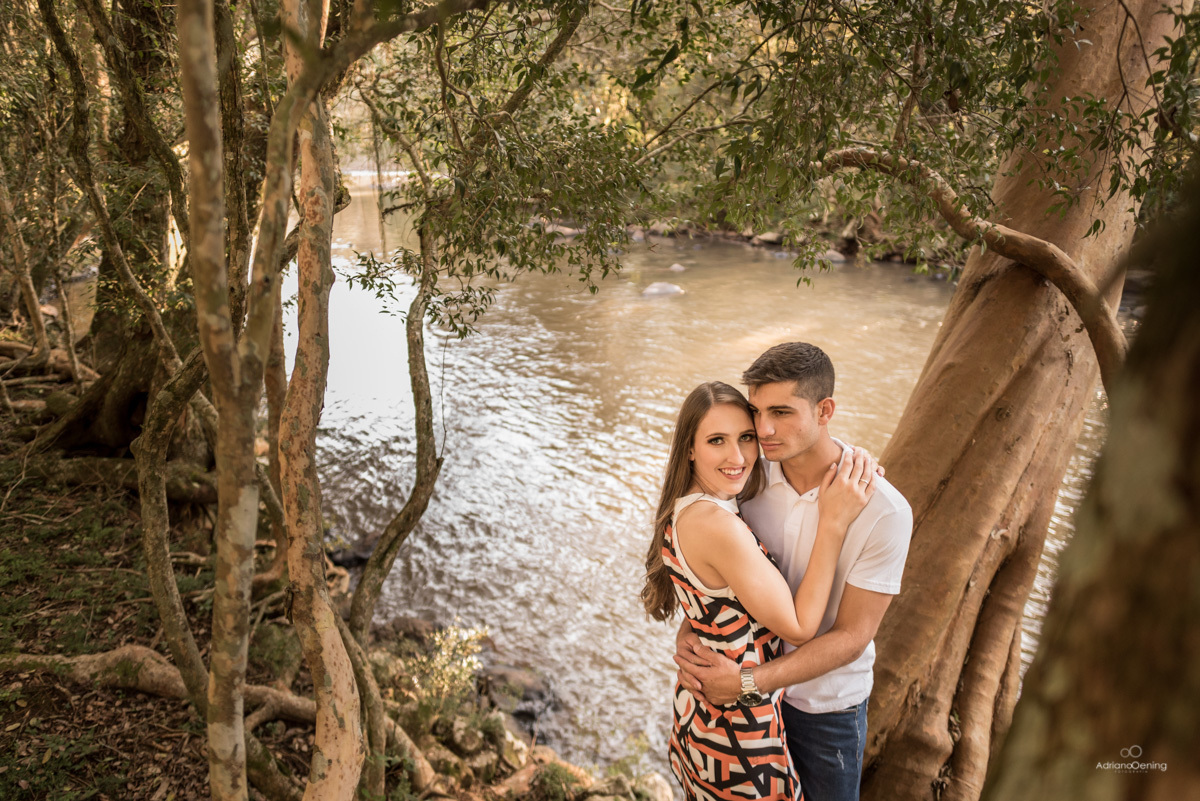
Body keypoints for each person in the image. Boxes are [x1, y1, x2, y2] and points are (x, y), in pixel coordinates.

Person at [674, 343, 914, 801]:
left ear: (825, 410)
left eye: (782, 412)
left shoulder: (884, 511)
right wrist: (692, 628)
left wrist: (744, 685)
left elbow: (852, 637)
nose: (763, 430)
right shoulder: (745, 477)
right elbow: (717, 573)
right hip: (740, 704)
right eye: (756, 411)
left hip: (823, 711)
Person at [641, 380, 878, 801]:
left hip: (703, 715)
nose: (738, 457)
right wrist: (833, 521)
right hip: (739, 732)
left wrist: (850, 458)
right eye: (717, 441)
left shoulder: (689, 506)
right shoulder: (718, 526)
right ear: (690, 448)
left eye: (746, 438)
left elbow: (709, 601)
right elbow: (802, 627)